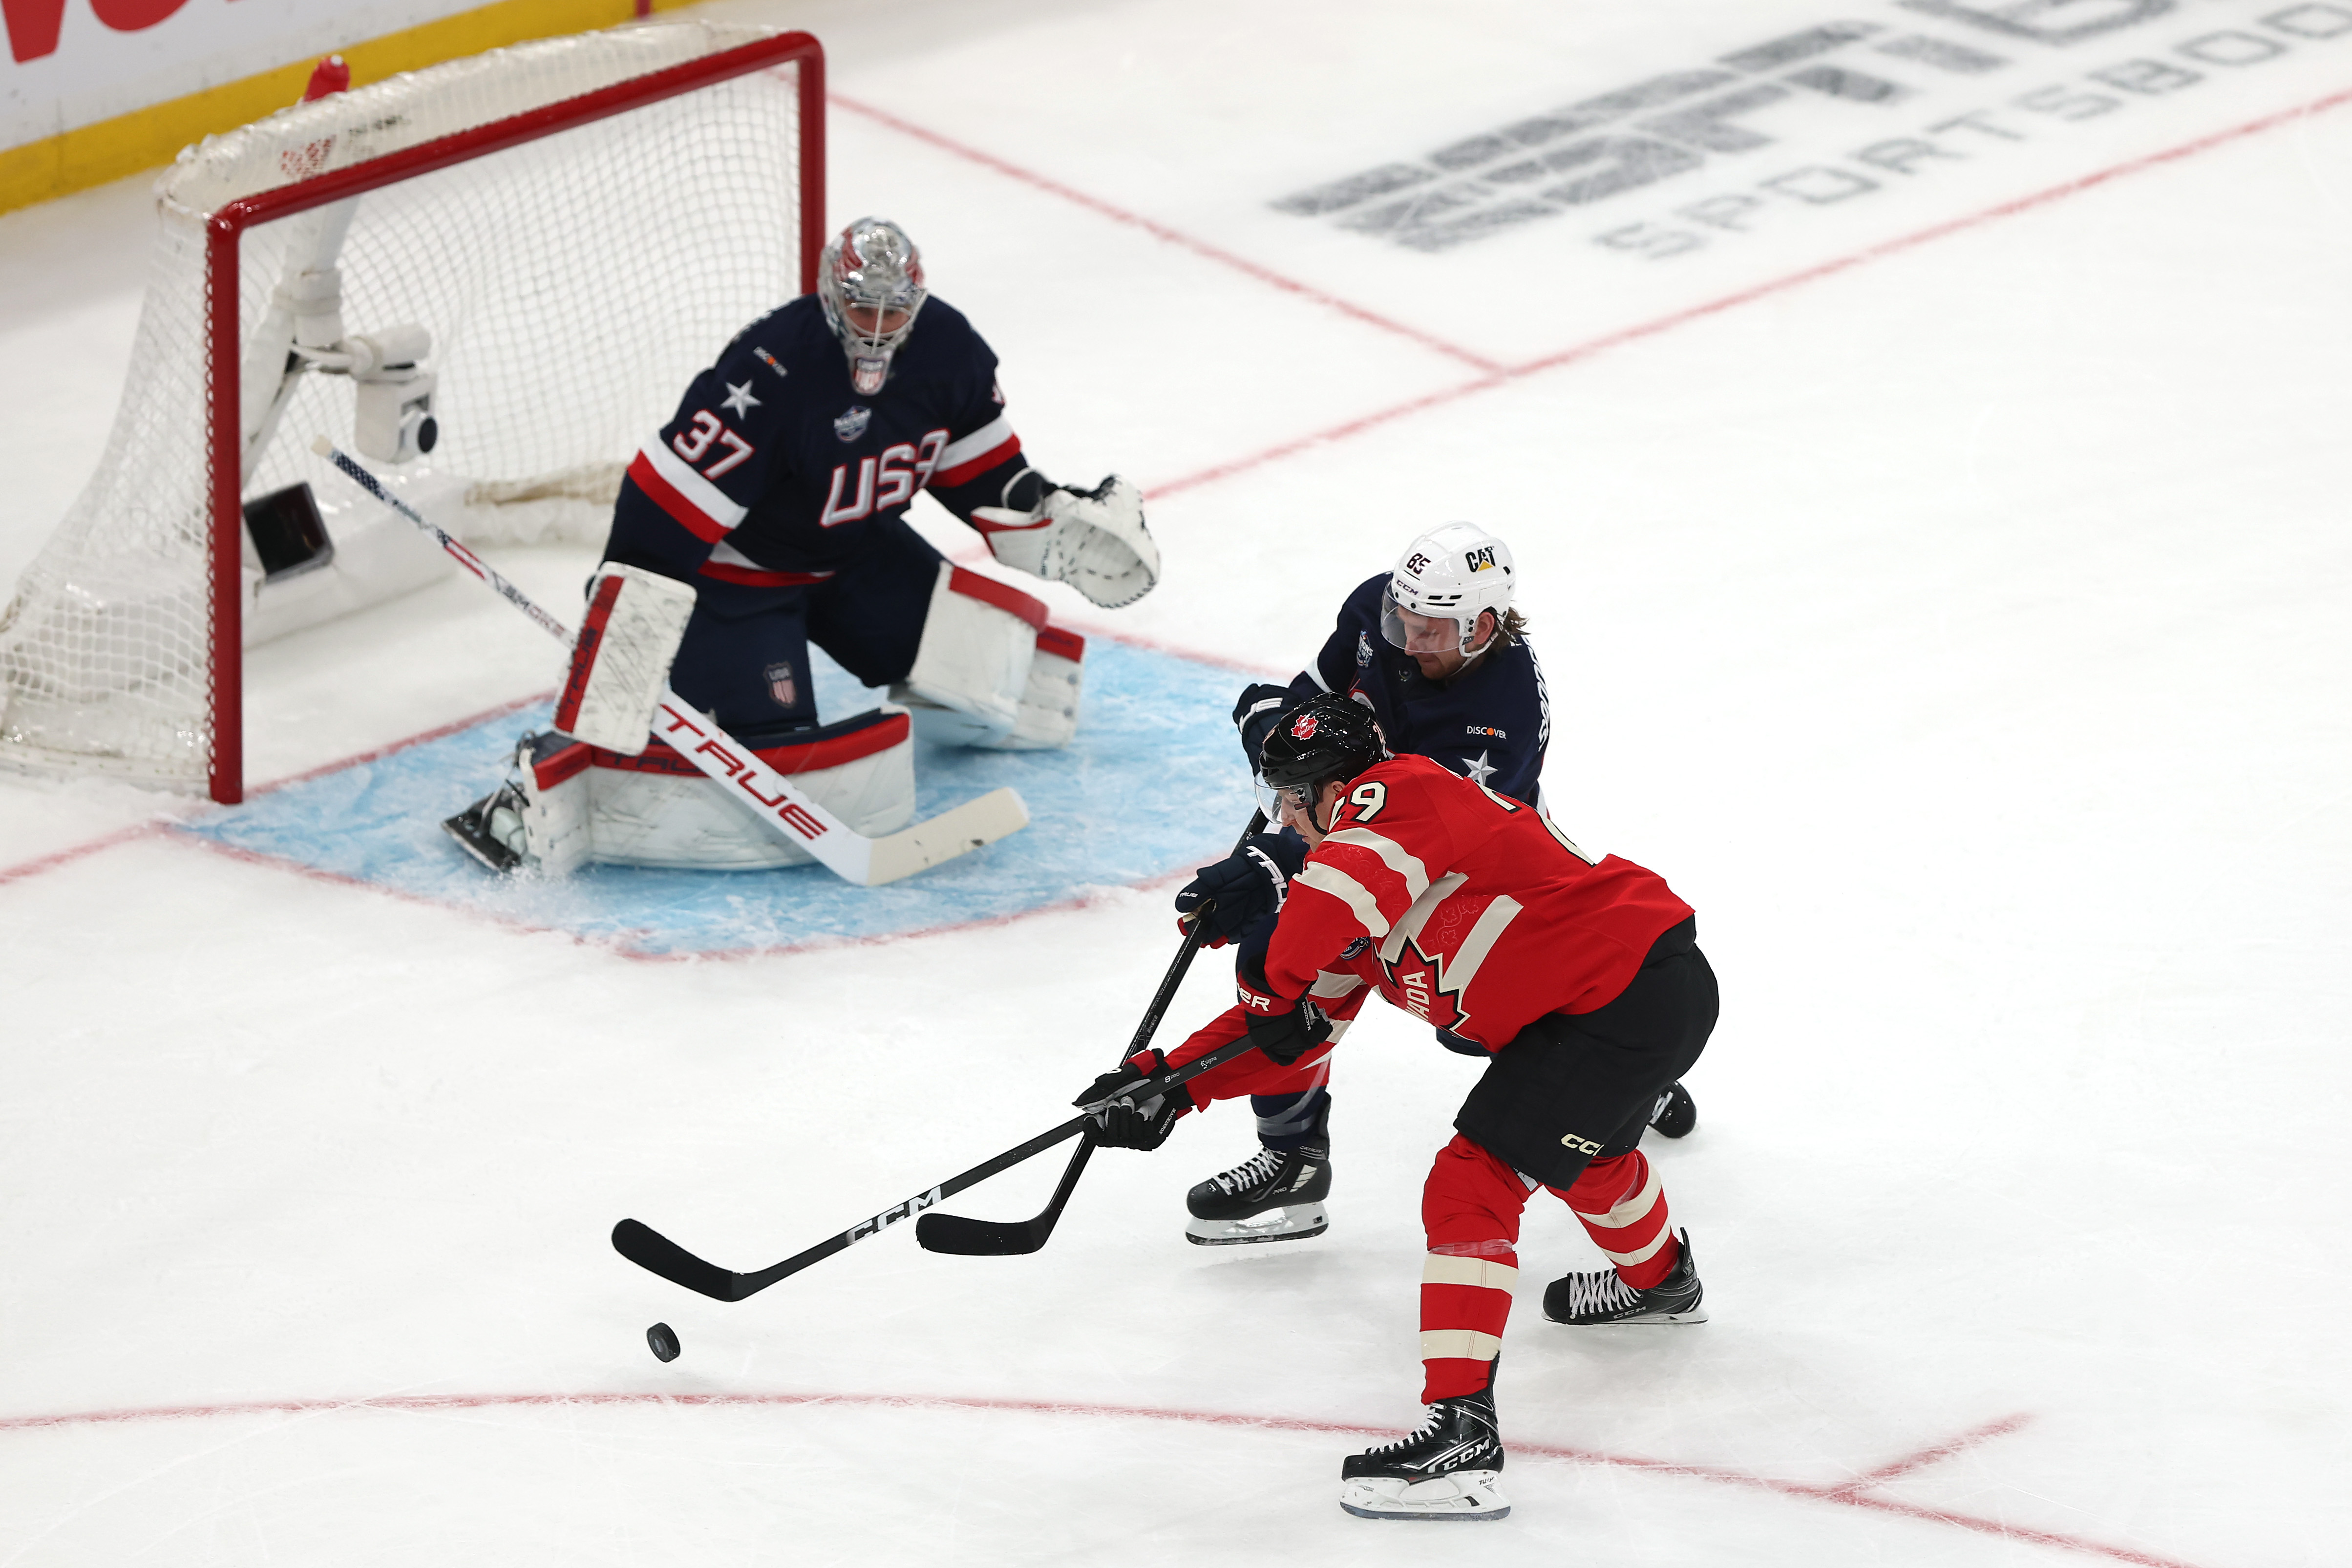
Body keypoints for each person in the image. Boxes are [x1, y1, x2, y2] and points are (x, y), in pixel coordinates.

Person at [1085, 693, 1718, 1520]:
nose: (1283, 817)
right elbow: (1298, 1028)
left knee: (1471, 1181)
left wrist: (1266, 967)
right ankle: (1663, 1280)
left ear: (1325, 790)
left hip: (1621, 996)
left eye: (1288, 798)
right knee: (1588, 1157)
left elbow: (1306, 942)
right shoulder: (1369, 878)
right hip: (1616, 1002)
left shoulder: (1398, 797)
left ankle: (1461, 1438)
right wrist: (1170, 1084)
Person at [445, 216, 1158, 873]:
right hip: (743, 580)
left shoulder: (948, 350)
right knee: (791, 755)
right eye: (861, 308)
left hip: (859, 559)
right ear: (829, 295)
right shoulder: (772, 372)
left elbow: (985, 474)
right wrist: (627, 630)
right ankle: (581, 780)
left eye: (894, 311)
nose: (878, 328)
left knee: (1010, 679)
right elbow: (663, 512)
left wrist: (1052, 511)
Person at [1166, 524, 1693, 1247]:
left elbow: (1393, 840)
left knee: (1505, 1026)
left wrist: (1268, 865)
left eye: (1429, 630)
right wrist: (1275, 735)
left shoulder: (1501, 717)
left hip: (1474, 887)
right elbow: (1314, 715)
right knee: (1296, 968)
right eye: (1400, 620)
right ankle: (1292, 1158)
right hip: (1354, 838)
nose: (1406, 640)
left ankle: (1631, 1081)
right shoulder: (1379, 613)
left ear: (1482, 626)